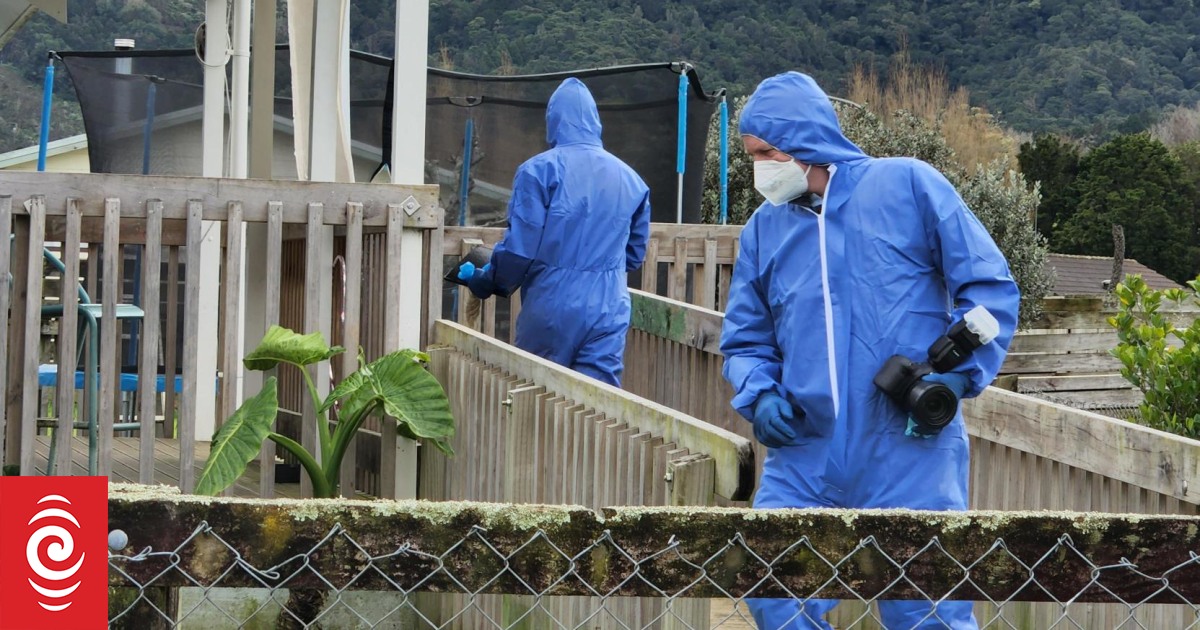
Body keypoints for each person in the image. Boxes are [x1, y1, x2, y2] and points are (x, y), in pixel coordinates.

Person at [720, 71, 1021, 629]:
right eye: (752, 155)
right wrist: (760, 394)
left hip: (908, 450)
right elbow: (746, 336)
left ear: (801, 141)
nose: (758, 168)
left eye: (764, 153)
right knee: (772, 588)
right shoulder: (764, 229)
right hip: (805, 456)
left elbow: (990, 287)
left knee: (927, 612)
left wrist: (960, 374)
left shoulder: (908, 185)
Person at [459, 77, 651, 387]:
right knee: (598, 403)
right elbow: (634, 255)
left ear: (554, 121)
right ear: (595, 122)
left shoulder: (538, 171)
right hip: (609, 306)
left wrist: (485, 281)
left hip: (552, 304)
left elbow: (519, 253)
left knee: (538, 397)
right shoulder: (632, 180)